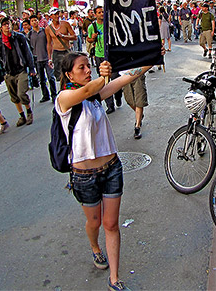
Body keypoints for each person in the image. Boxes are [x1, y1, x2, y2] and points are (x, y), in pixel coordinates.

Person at [56, 52, 154, 291]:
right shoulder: (66, 97)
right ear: (69, 74)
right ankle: (95, 247)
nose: (87, 70)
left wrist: (150, 59)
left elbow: (125, 79)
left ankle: (114, 278)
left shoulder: (95, 94)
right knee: (95, 222)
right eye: (82, 68)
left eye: (88, 66)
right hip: (84, 176)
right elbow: (88, 91)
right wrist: (101, 77)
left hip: (111, 169)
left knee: (111, 224)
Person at [0, 16, 37, 127]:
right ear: (0, 28)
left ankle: (28, 112)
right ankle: (21, 115)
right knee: (14, 96)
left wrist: (31, 68)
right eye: (4, 24)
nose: (7, 26)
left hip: (21, 70)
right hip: (8, 72)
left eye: (8, 23)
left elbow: (28, 53)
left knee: (21, 93)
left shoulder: (19, 37)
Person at [87, 6, 122, 114]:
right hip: (99, 55)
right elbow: (88, 39)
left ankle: (118, 94)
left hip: (112, 54)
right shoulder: (92, 26)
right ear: (95, 14)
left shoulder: (110, 23)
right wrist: (92, 38)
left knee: (115, 77)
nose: (101, 14)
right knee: (104, 80)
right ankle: (110, 105)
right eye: (99, 12)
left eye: (102, 12)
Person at [28, 13, 57, 103]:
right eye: (32, 21)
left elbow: (50, 43)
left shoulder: (44, 31)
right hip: (37, 59)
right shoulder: (29, 34)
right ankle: (45, 95)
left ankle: (54, 95)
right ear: (30, 23)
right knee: (42, 79)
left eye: (35, 20)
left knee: (50, 77)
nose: (34, 22)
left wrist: (50, 56)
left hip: (46, 57)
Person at [46, 7, 76, 82]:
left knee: (70, 71)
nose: (57, 16)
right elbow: (49, 43)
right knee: (59, 75)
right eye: (55, 14)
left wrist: (63, 36)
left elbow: (74, 37)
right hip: (56, 52)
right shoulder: (48, 28)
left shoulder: (65, 24)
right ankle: (63, 89)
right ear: (51, 16)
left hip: (66, 50)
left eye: (57, 14)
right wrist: (49, 58)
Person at [123, 73, 148, 139]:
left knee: (139, 101)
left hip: (138, 74)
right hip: (125, 75)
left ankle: (137, 126)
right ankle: (139, 115)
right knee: (129, 100)